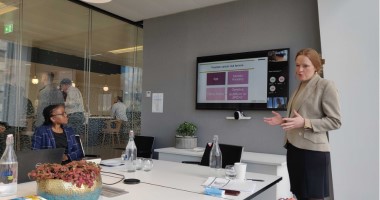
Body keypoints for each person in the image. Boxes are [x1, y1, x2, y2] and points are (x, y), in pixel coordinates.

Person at [263, 48, 341, 200]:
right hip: (294, 149)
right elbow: (298, 119)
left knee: (312, 197)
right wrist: (283, 120)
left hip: (312, 153)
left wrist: (304, 122)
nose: (300, 69)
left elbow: (335, 121)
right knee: (299, 195)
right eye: (297, 65)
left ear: (316, 67)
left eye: (305, 66)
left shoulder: (325, 85)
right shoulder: (300, 86)